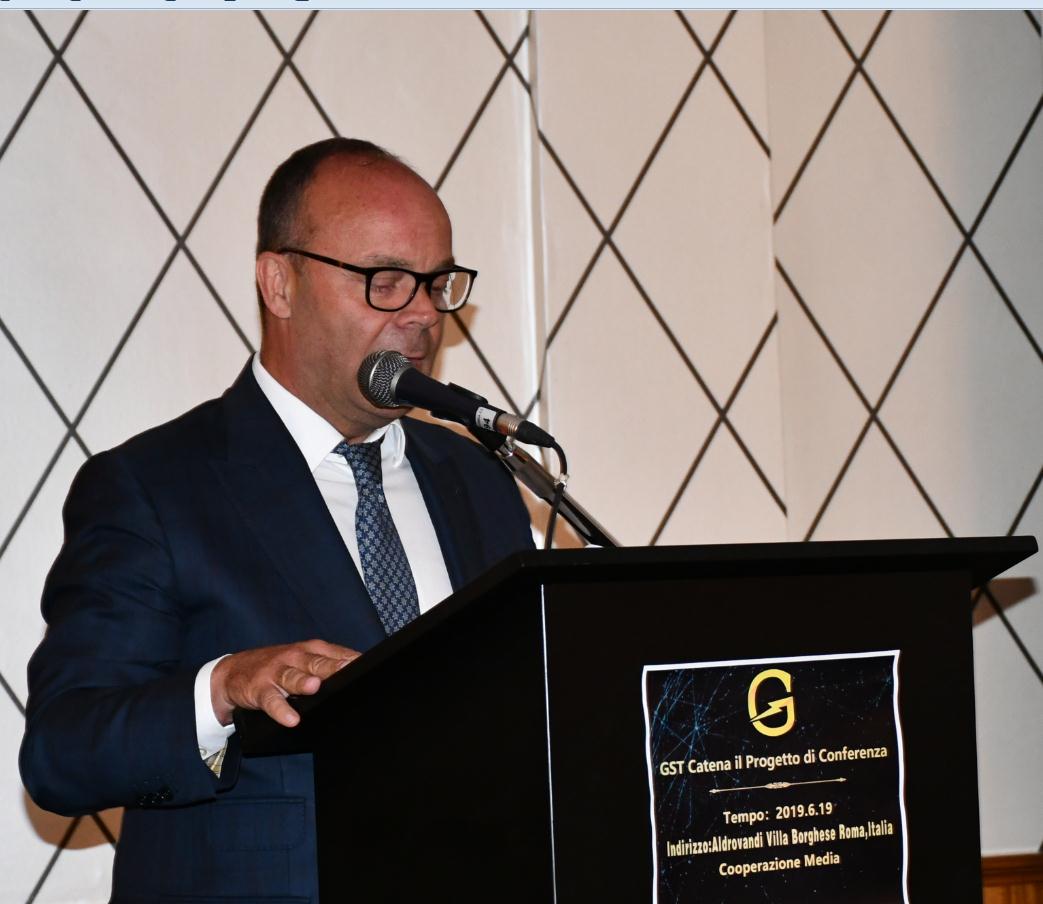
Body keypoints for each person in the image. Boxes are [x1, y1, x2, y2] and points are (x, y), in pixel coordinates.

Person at [19, 138, 535, 902]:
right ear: (279, 283)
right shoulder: (153, 488)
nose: (425, 313)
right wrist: (222, 687)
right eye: (386, 281)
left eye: (436, 282)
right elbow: (64, 754)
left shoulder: (478, 479)